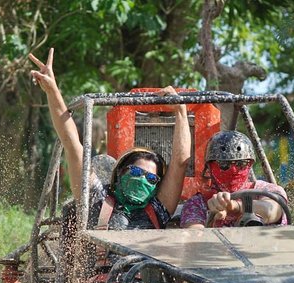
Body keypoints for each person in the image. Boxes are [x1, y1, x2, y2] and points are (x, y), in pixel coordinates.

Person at [29, 48, 191, 230]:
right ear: (121, 172)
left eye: (151, 179)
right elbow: (71, 142)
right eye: (136, 173)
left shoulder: (157, 210)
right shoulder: (95, 198)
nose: (142, 180)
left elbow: (180, 162)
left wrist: (180, 110)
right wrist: (52, 91)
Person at [180, 130, 288, 228]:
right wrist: (212, 222)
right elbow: (194, 238)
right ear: (209, 167)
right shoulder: (198, 204)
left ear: (250, 164)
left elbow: (271, 210)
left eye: (241, 164)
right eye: (223, 164)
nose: (233, 170)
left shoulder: (267, 191)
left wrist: (235, 207)